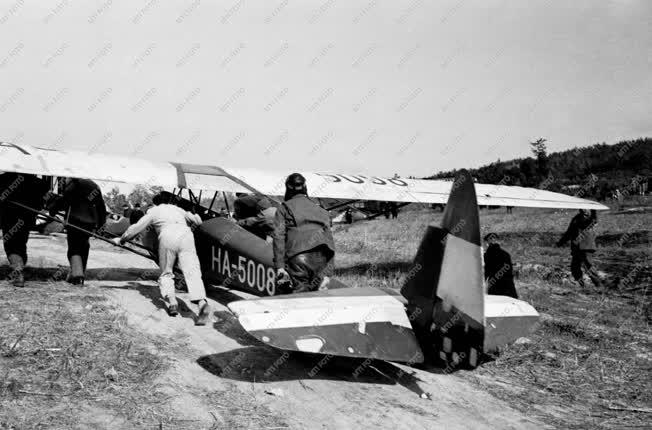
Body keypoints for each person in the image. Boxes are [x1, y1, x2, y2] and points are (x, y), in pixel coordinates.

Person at [116, 192, 211, 324]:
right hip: (186, 235)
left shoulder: (154, 210)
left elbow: (137, 227)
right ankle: (201, 302)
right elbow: (198, 221)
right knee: (192, 271)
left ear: (156, 202)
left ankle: (172, 302)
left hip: (167, 235)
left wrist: (123, 238)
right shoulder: (179, 209)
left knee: (167, 272)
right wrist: (194, 215)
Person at [272, 173, 335, 293]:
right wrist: (328, 273)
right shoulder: (322, 210)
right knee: (315, 300)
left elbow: (278, 236)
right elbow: (330, 241)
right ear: (305, 186)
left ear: (288, 188)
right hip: (322, 259)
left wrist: (279, 266)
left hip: (298, 259)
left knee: (297, 300)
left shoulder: (284, 208)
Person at [49, 178, 107, 285]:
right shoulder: (95, 186)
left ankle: (77, 274)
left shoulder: (74, 184)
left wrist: (52, 209)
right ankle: (78, 273)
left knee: (74, 248)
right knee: (84, 246)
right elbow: (101, 208)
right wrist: (101, 226)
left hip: (75, 220)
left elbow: (64, 201)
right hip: (89, 222)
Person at [0, 173, 48, 287]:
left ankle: (18, 272)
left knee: (12, 246)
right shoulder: (40, 184)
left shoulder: (3, 179)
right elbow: (41, 204)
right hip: (27, 218)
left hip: (9, 218)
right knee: (21, 244)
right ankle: (19, 269)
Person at [556, 209, 602, 287]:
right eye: (581, 208)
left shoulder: (589, 218)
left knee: (589, 267)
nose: (582, 209)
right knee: (574, 268)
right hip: (576, 248)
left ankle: (599, 285)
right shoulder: (575, 219)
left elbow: (594, 220)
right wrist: (560, 243)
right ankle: (582, 285)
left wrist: (594, 210)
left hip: (586, 247)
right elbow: (569, 232)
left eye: (584, 208)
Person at [483, 233, 517, 298]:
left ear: (487, 243)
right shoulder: (506, 254)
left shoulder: (487, 255)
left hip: (495, 288)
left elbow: (485, 272)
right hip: (509, 289)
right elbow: (510, 273)